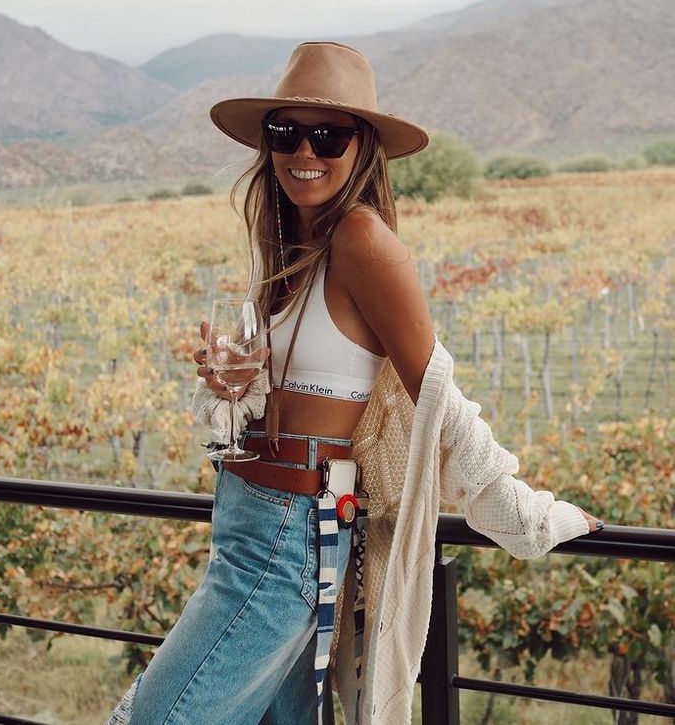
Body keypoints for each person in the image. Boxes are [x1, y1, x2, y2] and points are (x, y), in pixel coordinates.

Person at [106, 41, 602, 725]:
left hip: (288, 532)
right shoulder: (293, 246)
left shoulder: (363, 240)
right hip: (249, 518)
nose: (303, 150)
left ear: (362, 147)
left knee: (155, 718)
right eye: (286, 131)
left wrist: (523, 514)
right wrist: (241, 383)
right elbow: (318, 385)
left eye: (328, 134)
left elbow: (435, 392)